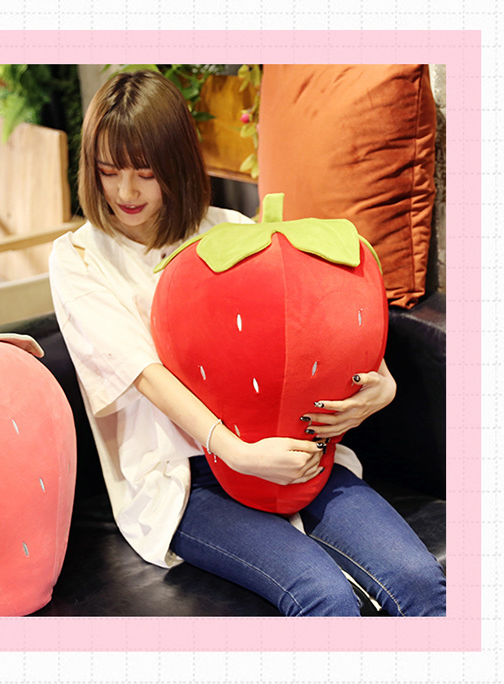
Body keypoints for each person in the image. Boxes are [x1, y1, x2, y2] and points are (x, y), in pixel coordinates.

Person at [48, 69, 446, 616]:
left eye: (146, 171)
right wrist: (237, 452)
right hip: (186, 478)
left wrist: (384, 385)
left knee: (420, 581)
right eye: (109, 171)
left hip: (293, 449)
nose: (126, 192)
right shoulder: (77, 258)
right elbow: (142, 370)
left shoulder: (231, 229)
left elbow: (315, 319)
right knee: (322, 595)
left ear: (177, 163)